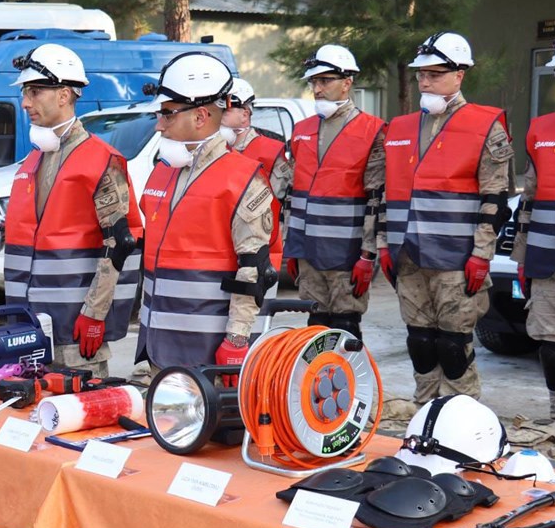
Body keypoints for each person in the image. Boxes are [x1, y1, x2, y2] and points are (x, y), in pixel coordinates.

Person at [378, 32, 513, 404]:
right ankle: (425, 414)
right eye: (421, 74)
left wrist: (481, 255)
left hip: (456, 260)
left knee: (454, 346)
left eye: (435, 74)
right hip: (408, 256)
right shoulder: (400, 128)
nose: (425, 81)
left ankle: (460, 417)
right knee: (420, 342)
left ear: (460, 75)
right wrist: (384, 245)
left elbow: (495, 198)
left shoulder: (485, 125)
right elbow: (387, 194)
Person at [3, 44, 141, 377]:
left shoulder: (101, 160)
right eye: (25, 93)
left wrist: (95, 314)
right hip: (29, 330)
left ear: (64, 95)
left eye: (35, 92)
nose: (25, 103)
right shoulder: (35, 159)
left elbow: (120, 243)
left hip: (75, 336)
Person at [135, 52, 276, 372]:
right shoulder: (164, 171)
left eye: (168, 113)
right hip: (158, 348)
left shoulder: (242, 179)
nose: (159, 123)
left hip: (208, 355)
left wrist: (237, 341)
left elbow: (254, 270)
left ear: (200, 116)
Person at [283, 45, 386, 340]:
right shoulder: (302, 130)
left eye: (325, 81)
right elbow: (293, 194)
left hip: (346, 254)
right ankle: (315, 386)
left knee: (344, 330)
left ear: (347, 82)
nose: (317, 89)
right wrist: (293, 244)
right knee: (315, 330)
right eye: (313, 82)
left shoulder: (372, 131)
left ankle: (347, 386)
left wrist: (368, 255)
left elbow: (376, 201)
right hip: (308, 252)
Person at [512, 31, 555, 421]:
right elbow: (530, 199)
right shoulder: (541, 129)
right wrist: (521, 256)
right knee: (552, 349)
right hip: (548, 262)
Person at [223, 77, 291, 285]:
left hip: (258, 250)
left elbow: (283, 205)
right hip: (221, 248)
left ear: (245, 114)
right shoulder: (215, 152)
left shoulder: (270, 152)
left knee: (252, 314)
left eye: (225, 110)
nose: (218, 115)